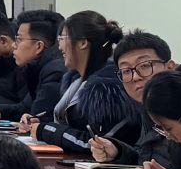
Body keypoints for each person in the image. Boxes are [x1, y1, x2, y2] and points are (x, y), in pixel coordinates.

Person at [30, 11, 139, 158]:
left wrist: (45, 130)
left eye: (62, 38)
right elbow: (74, 124)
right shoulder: (76, 80)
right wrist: (41, 122)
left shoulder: (106, 87)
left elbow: (96, 143)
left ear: (83, 43)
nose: (59, 46)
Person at [96, 29, 181, 168]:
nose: (135, 77)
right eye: (126, 71)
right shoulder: (148, 107)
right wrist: (117, 152)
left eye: (145, 65)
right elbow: (147, 157)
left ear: (170, 67)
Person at [0, 9, 67, 123]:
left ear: (39, 46)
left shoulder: (54, 72)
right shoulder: (38, 67)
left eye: (19, 39)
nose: (14, 45)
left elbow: (37, 118)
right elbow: (25, 107)